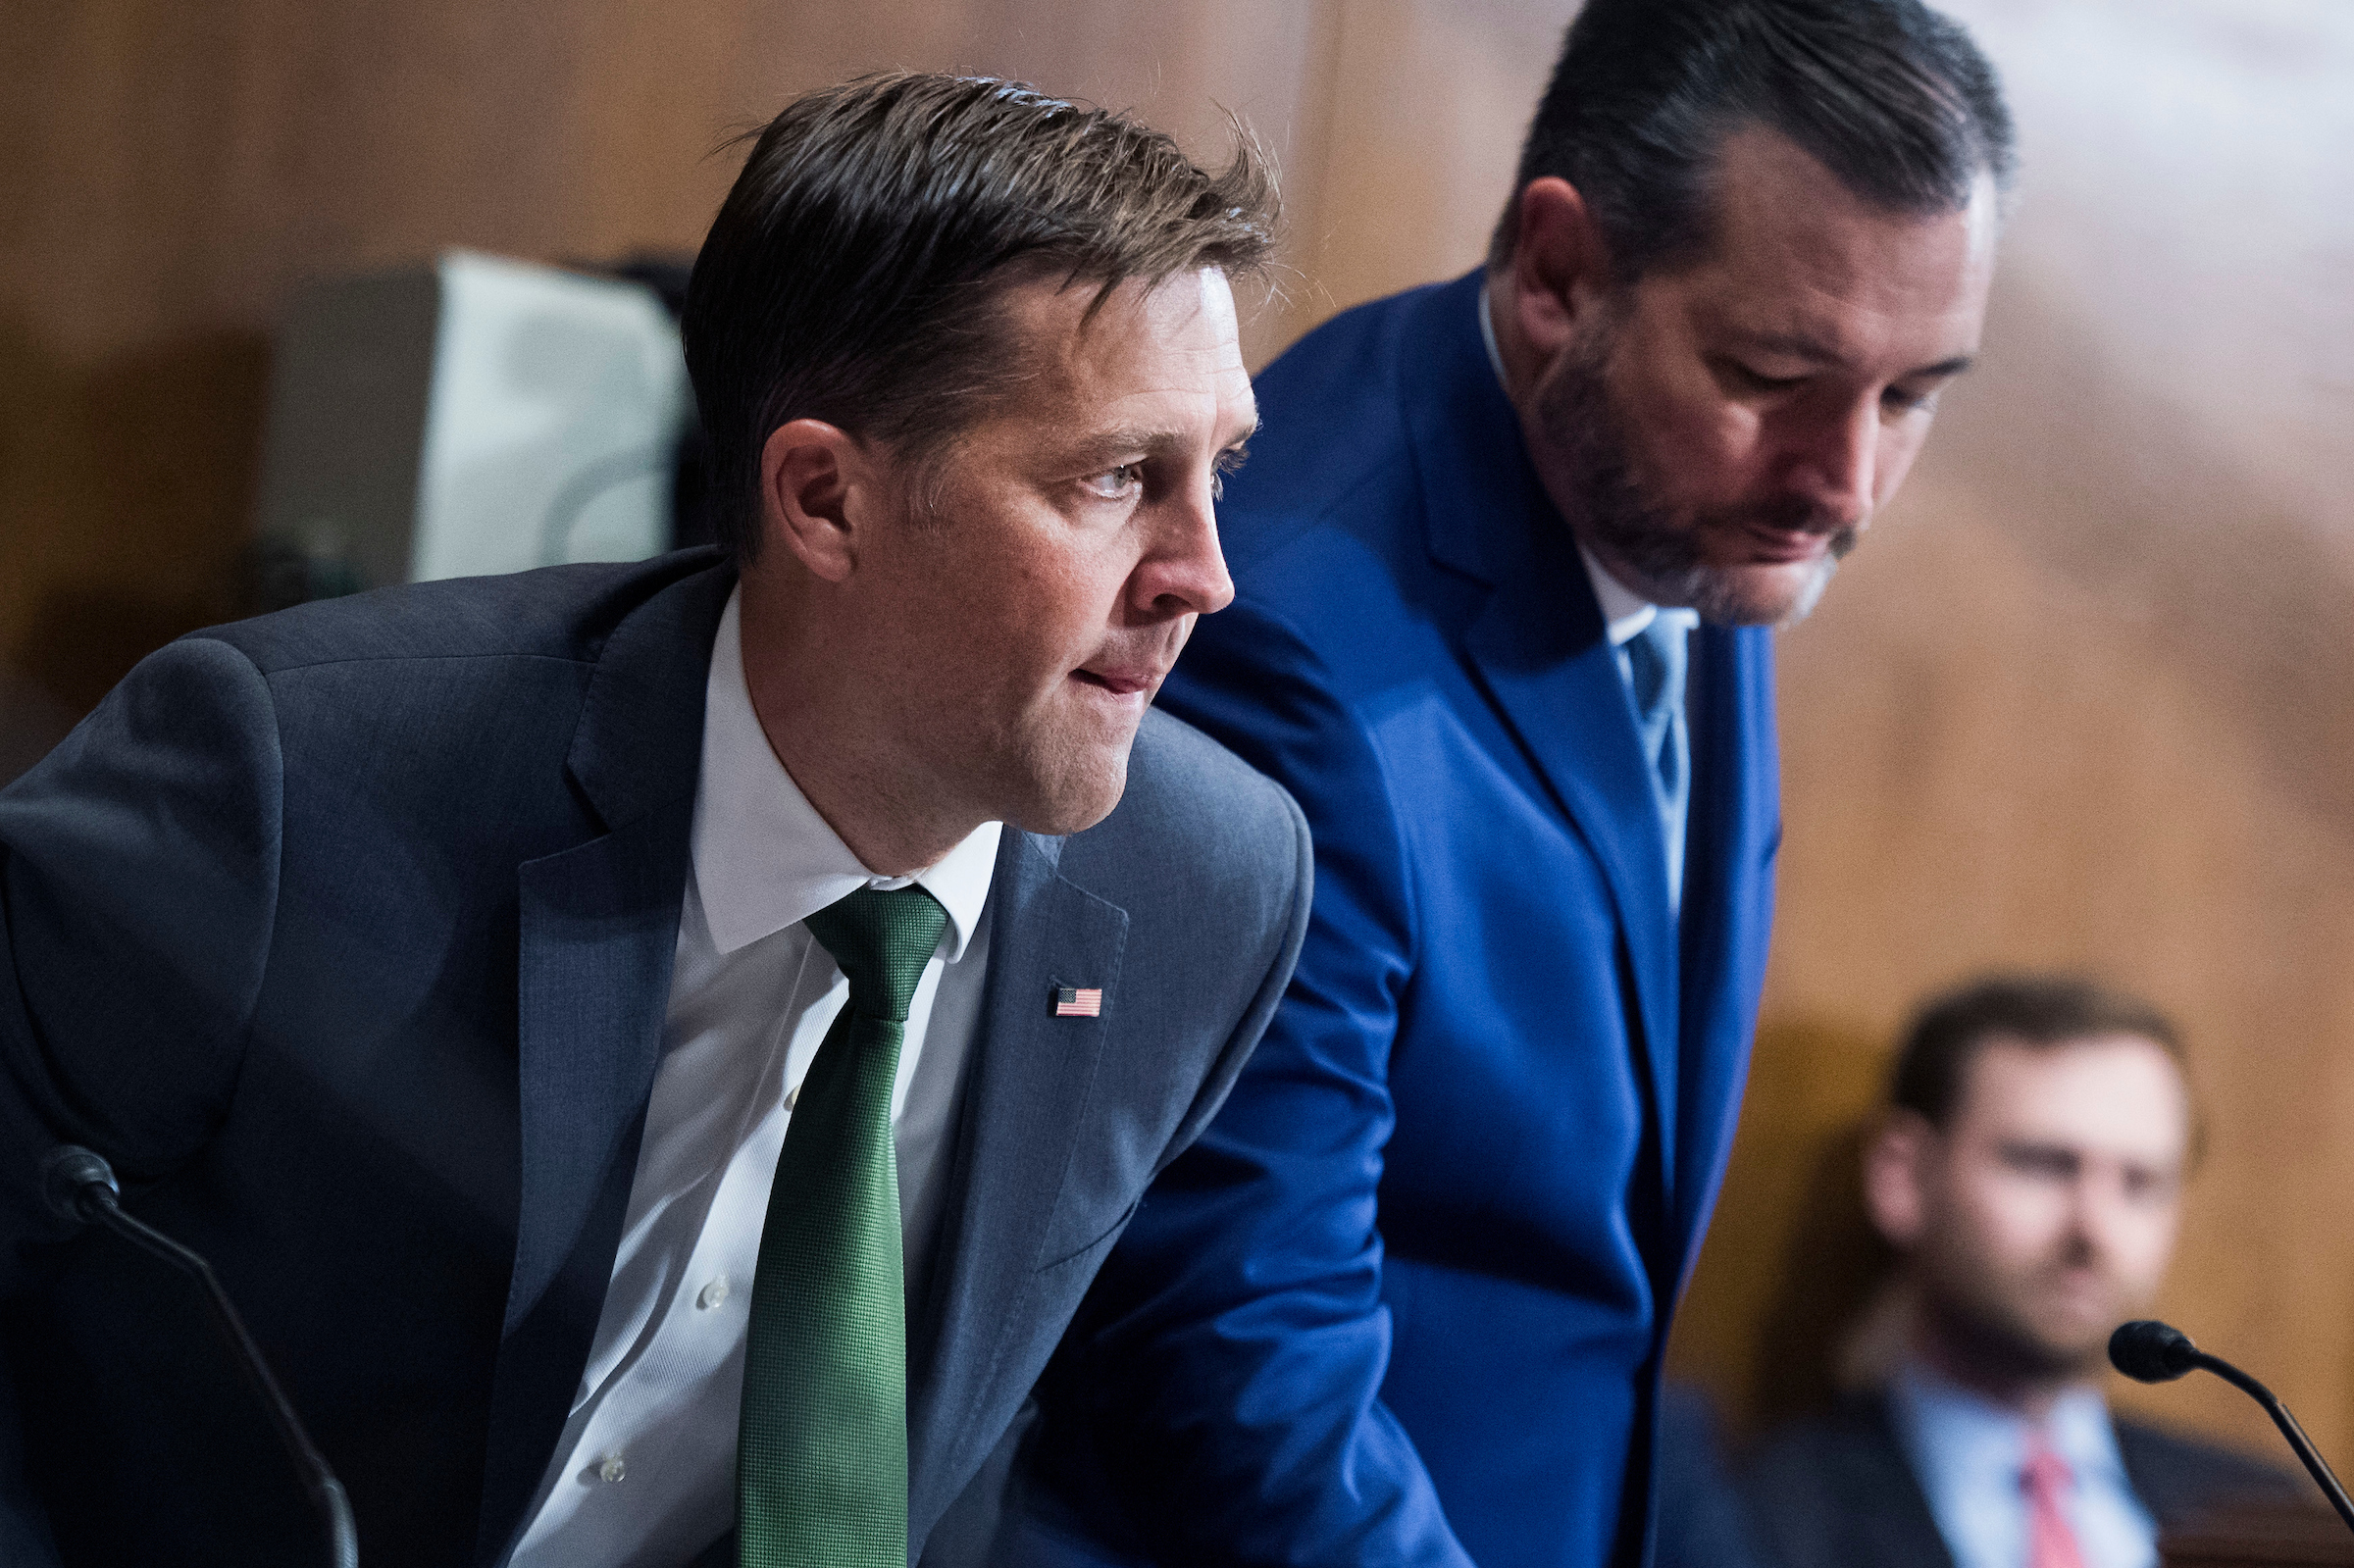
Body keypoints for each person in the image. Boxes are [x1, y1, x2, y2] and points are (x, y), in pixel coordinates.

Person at [0, 73, 1309, 1568]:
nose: (1205, 574)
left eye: (1223, 470)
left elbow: (990, 1438)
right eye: (1118, 476)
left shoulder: (1214, 888)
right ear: (825, 499)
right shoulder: (292, 786)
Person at [1000, 2, 2014, 1564]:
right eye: (1776, 373)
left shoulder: (1686, 498)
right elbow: (1234, 1346)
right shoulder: (1284, 636)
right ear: (1559, 274)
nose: (1849, 478)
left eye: (1916, 394)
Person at [1742, 976, 2296, 1568]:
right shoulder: (1761, 1519)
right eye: (2042, 1165)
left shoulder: (2272, 1518)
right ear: (1902, 1179)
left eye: (2140, 1182)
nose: (2094, 1230)